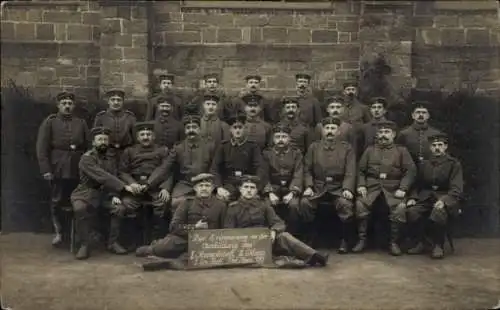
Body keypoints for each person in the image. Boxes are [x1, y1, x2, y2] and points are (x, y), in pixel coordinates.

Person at [224, 175, 329, 267]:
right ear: (240, 189)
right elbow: (228, 232)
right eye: (246, 187)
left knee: (284, 236)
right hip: (245, 245)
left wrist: (273, 231)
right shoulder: (233, 208)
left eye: (252, 188)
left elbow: (278, 222)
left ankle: (315, 255)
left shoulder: (263, 205)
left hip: (266, 241)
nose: (249, 190)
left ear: (256, 190)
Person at [71, 127, 137, 260]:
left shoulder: (111, 159)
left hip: (105, 195)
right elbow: (102, 176)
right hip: (85, 193)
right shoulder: (86, 158)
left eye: (105, 140)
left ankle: (113, 243)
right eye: (100, 139)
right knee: (80, 209)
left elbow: (113, 176)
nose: (103, 142)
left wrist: (115, 195)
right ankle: (84, 244)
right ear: (93, 142)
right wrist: (124, 187)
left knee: (119, 208)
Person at [36, 91, 90, 246]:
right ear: (58, 105)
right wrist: (46, 169)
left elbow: (88, 146)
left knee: (79, 200)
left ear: (73, 105)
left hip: (78, 167)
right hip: (58, 167)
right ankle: (59, 232)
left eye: (70, 103)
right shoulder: (50, 122)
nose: (67, 106)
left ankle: (79, 233)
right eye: (64, 103)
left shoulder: (81, 122)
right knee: (57, 200)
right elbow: (42, 148)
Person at [354, 121, 416, 255]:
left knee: (399, 208)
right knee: (360, 205)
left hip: (393, 188)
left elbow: (410, 171)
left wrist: (403, 188)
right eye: (381, 132)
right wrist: (361, 185)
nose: (383, 135)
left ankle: (394, 242)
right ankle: (362, 240)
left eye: (387, 132)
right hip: (372, 188)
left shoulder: (401, 151)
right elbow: (360, 171)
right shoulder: (369, 150)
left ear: (393, 135)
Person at [135, 173, 226, 259]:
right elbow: (174, 227)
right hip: (185, 239)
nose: (204, 188)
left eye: (207, 186)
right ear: (195, 188)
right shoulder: (186, 203)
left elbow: (225, 229)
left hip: (209, 241)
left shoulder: (221, 205)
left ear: (213, 188)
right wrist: (194, 227)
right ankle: (154, 247)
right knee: (162, 248)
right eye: (201, 186)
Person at [301, 117, 356, 253]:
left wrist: (347, 188)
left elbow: (351, 171)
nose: (329, 131)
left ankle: (345, 240)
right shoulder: (314, 147)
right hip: (318, 187)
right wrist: (308, 186)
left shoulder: (347, 148)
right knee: (305, 203)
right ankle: (310, 237)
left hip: (338, 187)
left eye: (333, 128)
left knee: (345, 204)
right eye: (327, 128)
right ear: (322, 130)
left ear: (338, 131)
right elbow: (306, 169)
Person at [406, 133, 463, 259]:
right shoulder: (424, 164)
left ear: (445, 147)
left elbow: (456, 188)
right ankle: (423, 242)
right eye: (434, 145)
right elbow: (416, 184)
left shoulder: (453, 164)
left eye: (440, 145)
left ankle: (438, 245)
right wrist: (412, 198)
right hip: (426, 197)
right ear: (430, 148)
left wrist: (444, 201)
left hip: (447, 197)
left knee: (438, 211)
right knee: (412, 212)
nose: (437, 148)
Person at [119, 122, 171, 242]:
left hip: (156, 187)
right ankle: (134, 240)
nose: (146, 137)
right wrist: (131, 183)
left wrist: (165, 188)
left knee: (162, 202)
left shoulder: (162, 150)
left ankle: (157, 239)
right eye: (142, 134)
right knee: (127, 203)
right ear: (138, 137)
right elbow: (122, 171)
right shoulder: (129, 151)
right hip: (135, 187)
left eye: (149, 134)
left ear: (154, 136)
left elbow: (168, 170)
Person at [159, 115, 217, 212]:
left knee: (212, 204)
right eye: (188, 128)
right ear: (185, 131)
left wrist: (212, 183)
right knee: (175, 202)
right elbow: (167, 168)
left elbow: (214, 167)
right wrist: (165, 187)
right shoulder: (178, 148)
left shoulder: (210, 146)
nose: (191, 130)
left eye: (194, 127)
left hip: (205, 182)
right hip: (185, 184)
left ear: (199, 129)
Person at [261, 123, 304, 238]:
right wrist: (269, 193)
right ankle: (270, 236)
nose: (281, 140)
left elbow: (298, 173)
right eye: (277, 137)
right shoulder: (266, 154)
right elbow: (263, 174)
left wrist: (292, 192)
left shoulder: (296, 153)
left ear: (289, 138)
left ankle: (292, 235)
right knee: (266, 205)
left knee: (295, 206)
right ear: (273, 139)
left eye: (284, 137)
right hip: (273, 188)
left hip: (290, 188)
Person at [210, 113, 262, 202]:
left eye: (240, 127)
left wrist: (255, 185)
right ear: (230, 129)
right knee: (222, 198)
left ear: (245, 128)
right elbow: (215, 168)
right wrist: (219, 187)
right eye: (235, 127)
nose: (237, 130)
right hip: (229, 182)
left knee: (253, 200)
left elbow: (259, 167)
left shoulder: (252, 146)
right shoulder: (224, 146)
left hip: (247, 182)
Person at [93, 89, 136, 170]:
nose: (116, 102)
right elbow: (95, 137)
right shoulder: (101, 117)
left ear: (123, 102)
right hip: (107, 153)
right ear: (108, 101)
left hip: (126, 153)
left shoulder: (130, 117)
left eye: (119, 100)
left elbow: (135, 138)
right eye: (113, 100)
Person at [397, 101, 443, 165]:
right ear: (413, 115)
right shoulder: (404, 133)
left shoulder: (436, 133)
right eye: (418, 112)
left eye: (424, 113)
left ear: (428, 116)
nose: (421, 115)